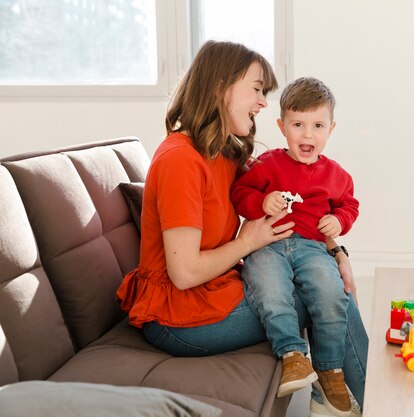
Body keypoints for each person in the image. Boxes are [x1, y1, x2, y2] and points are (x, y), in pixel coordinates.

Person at [114, 41, 367, 417]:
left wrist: (335, 251)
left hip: (211, 290)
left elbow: (299, 200)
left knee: (324, 278)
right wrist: (248, 241)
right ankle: (369, 399)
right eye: (257, 89)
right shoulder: (180, 159)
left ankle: (349, 395)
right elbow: (183, 275)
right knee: (326, 295)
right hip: (177, 317)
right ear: (221, 88)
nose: (264, 103)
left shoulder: (222, 151)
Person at [231, 77, 358, 417]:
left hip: (313, 248)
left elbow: (349, 205)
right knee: (270, 290)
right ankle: (293, 356)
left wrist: (340, 222)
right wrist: (263, 201)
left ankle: (331, 370)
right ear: (281, 126)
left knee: (331, 294)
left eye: (317, 126)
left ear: (331, 129)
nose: (307, 135)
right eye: (298, 125)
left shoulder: (337, 175)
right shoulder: (267, 164)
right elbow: (241, 195)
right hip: (268, 245)